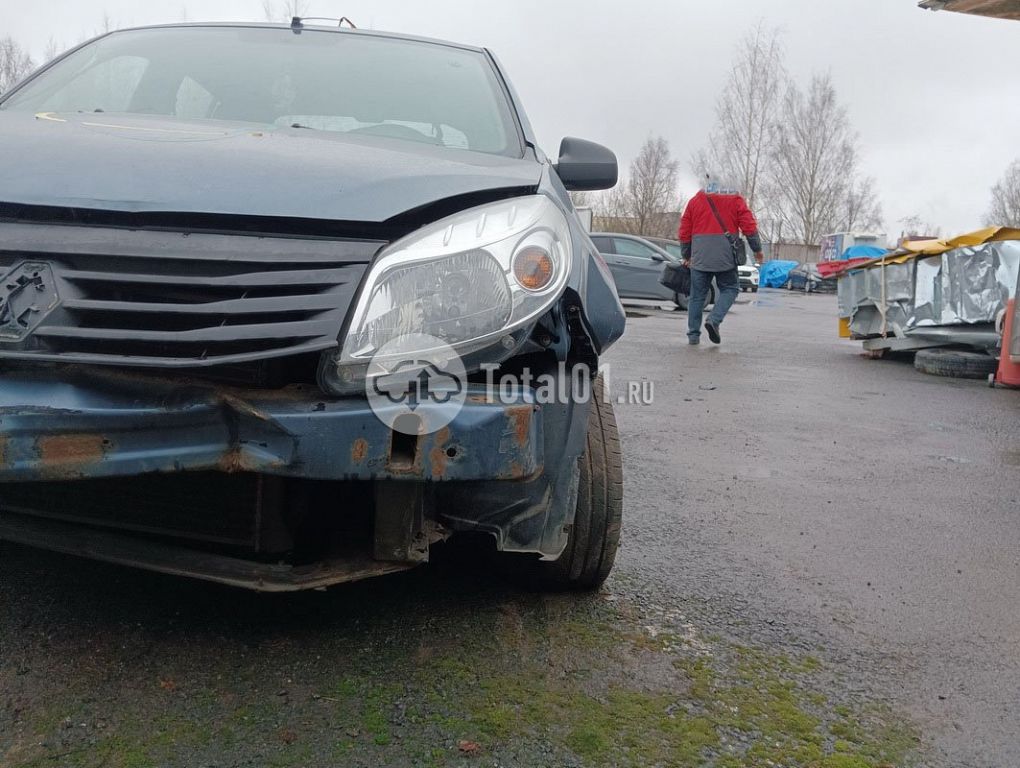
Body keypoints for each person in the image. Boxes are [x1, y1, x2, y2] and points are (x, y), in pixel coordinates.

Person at [678, 177, 764, 345]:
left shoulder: (695, 201)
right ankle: (714, 320)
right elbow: (748, 225)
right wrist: (757, 250)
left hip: (700, 255)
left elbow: (684, 230)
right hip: (724, 255)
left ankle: (693, 335)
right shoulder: (735, 198)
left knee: (697, 296)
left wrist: (687, 254)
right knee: (730, 289)